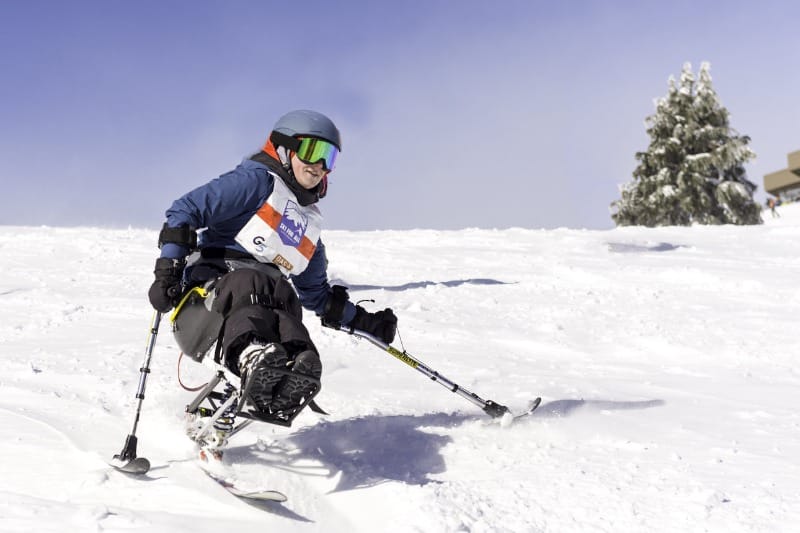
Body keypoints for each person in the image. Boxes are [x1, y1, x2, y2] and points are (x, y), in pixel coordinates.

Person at [147, 109, 398, 450]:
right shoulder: (256, 182)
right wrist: (167, 271)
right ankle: (252, 355)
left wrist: (365, 322)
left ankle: (294, 370)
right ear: (284, 148)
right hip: (207, 301)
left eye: (329, 157)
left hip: (262, 303)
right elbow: (185, 210)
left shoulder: (307, 224)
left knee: (285, 301)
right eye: (312, 151)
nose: (319, 166)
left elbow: (317, 296)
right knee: (253, 283)